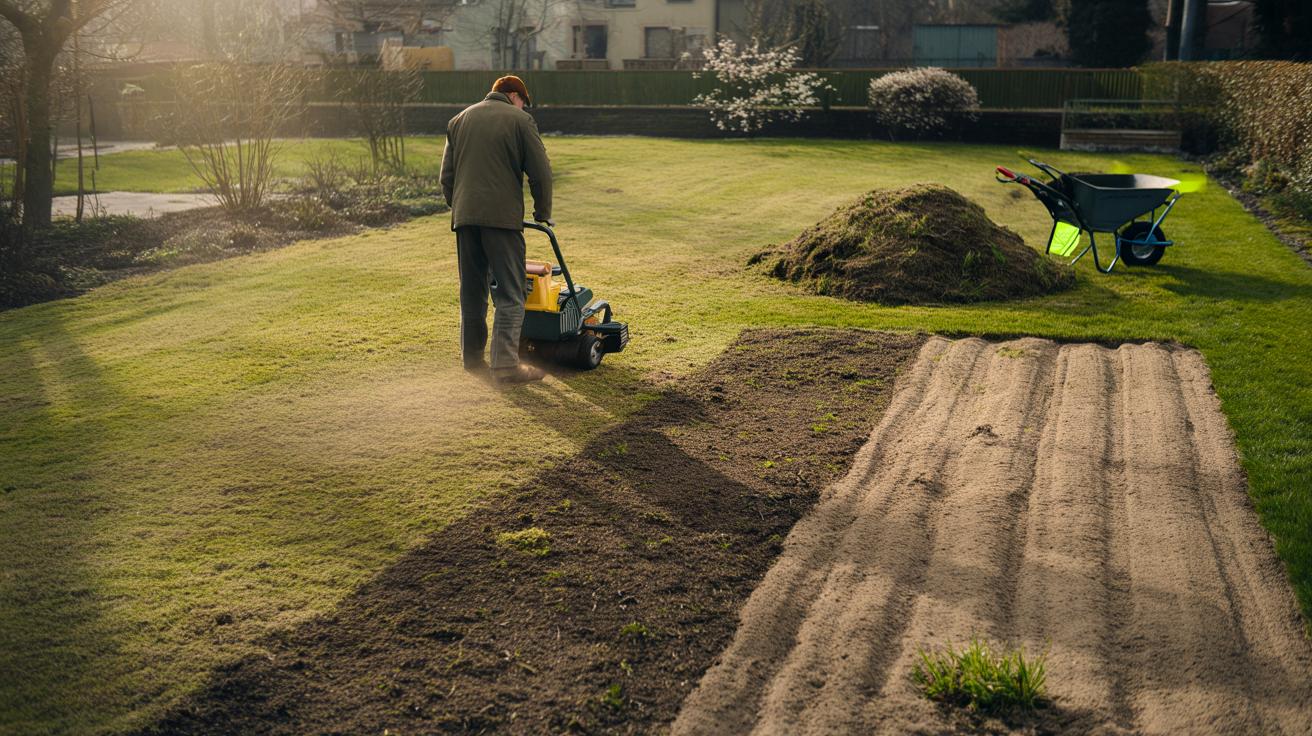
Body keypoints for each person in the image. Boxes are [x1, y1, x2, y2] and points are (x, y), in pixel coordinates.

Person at [440, 75, 554, 385]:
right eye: (523, 101)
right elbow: (541, 173)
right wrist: (543, 212)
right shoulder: (520, 120)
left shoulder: (459, 120)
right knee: (511, 293)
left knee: (472, 291)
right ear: (515, 95)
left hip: (465, 219)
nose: (523, 106)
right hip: (501, 220)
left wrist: (462, 209)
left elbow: (446, 178)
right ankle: (505, 366)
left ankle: (472, 358)